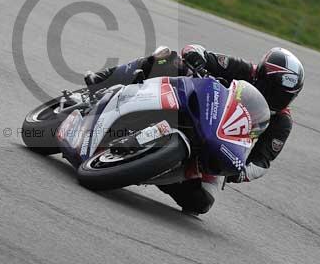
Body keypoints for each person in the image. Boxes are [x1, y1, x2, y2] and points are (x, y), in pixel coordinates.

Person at [84, 45, 304, 215]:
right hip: (197, 105)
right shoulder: (244, 69)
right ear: (261, 75)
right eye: (272, 90)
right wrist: (196, 60)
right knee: (168, 57)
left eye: (285, 95)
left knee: (201, 203)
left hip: (218, 145)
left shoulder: (281, 122)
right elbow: (197, 51)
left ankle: (153, 169)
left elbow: (262, 162)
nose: (276, 99)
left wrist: (240, 173)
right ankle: (106, 78)